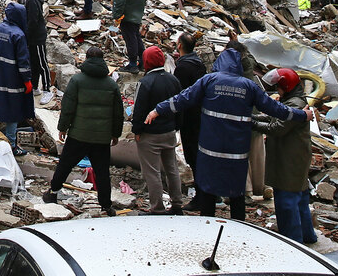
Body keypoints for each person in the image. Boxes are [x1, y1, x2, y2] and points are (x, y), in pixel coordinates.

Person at [145, 42, 310, 220]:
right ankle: (237, 227)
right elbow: (276, 109)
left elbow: (182, 99)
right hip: (236, 153)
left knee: (208, 191)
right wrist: (302, 115)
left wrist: (157, 110)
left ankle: (207, 225)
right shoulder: (249, 86)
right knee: (236, 193)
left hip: (210, 150)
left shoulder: (209, 81)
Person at [45, 46, 125, 213]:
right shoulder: (111, 85)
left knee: (65, 165)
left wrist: (63, 128)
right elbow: (118, 113)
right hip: (101, 138)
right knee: (102, 172)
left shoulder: (77, 80)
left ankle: (53, 192)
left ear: (87, 59)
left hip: (78, 135)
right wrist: (115, 134)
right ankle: (106, 205)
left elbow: (68, 107)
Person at [254, 67, 317, 244]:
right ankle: (307, 236)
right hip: (295, 155)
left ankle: (293, 242)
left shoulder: (294, 104)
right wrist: (258, 118)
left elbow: (277, 128)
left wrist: (252, 123)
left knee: (286, 201)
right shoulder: (293, 101)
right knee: (300, 199)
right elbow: (276, 117)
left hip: (289, 158)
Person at [133, 45, 184, 215]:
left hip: (150, 134)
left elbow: (139, 109)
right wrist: (177, 126)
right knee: (172, 169)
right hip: (169, 131)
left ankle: (157, 207)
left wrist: (137, 130)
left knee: (152, 171)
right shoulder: (173, 80)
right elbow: (179, 105)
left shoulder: (145, 82)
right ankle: (177, 204)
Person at [0, 2, 34, 156]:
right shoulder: (18, 35)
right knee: (14, 110)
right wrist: (27, 79)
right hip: (13, 77)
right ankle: (11, 144)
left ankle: (6, 138)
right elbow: (23, 61)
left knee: (3, 103)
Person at [172, 32, 205, 204]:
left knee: (192, 155)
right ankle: (208, 192)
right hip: (200, 115)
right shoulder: (199, 64)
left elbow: (179, 95)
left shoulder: (183, 68)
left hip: (189, 117)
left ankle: (201, 196)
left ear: (179, 46)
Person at [112, 0, 147, 72]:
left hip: (127, 12)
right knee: (136, 36)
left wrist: (117, 15)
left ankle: (133, 64)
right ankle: (143, 61)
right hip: (138, 10)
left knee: (130, 37)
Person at [20, 0, 52, 104]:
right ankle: (34, 87)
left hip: (36, 37)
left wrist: (26, 35)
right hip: (35, 36)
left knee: (42, 63)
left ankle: (47, 90)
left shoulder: (32, 0)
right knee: (34, 62)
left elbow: (32, 21)